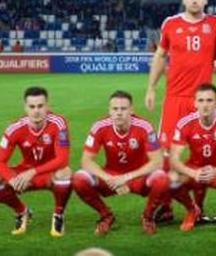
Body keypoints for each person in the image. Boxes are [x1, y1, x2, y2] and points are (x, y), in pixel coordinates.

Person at [144, 0, 216, 222]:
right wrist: (151, 88)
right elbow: (160, 56)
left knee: (204, 153)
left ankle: (199, 207)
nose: (194, 0)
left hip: (202, 101)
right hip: (175, 99)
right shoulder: (171, 23)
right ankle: (167, 206)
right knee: (167, 154)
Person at [72, 90, 168, 235]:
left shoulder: (144, 126)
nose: (118, 113)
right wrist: (109, 178)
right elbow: (86, 161)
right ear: (109, 110)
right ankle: (106, 215)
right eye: (115, 109)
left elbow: (157, 161)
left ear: (131, 110)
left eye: (123, 109)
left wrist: (126, 178)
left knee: (161, 177)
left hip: (137, 177)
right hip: (111, 176)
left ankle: (148, 216)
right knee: (79, 178)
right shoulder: (99, 126)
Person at [0, 86, 72, 237]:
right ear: (25, 107)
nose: (36, 111)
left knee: (66, 173)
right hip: (25, 171)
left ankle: (58, 215)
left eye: (40, 106)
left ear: (47, 106)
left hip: (48, 173)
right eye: (32, 106)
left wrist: (32, 172)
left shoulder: (58, 123)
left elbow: (62, 159)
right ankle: (22, 212)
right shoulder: (14, 128)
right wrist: (11, 179)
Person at [168, 83, 216, 232]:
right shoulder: (185, 123)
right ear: (195, 103)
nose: (205, 105)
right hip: (195, 168)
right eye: (201, 100)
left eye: (209, 100)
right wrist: (194, 173)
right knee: (171, 179)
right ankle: (192, 210)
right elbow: (174, 158)